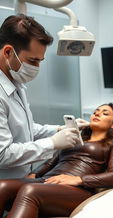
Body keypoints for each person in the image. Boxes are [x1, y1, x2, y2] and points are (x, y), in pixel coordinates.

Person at [0, 103, 113, 218]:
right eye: (96, 111)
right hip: (48, 183)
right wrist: (34, 174)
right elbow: (51, 163)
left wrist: (79, 180)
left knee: (30, 190)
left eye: (105, 113)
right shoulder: (76, 138)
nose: (97, 114)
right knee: (3, 186)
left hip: (77, 190)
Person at [0, 14, 83, 179]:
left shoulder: (16, 84)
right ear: (8, 52)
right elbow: (2, 154)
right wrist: (52, 143)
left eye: (40, 61)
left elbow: (26, 129)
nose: (37, 67)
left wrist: (59, 129)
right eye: (32, 60)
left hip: (21, 181)